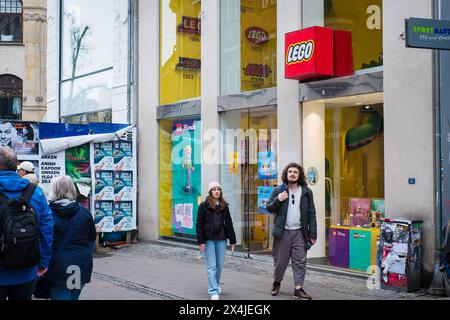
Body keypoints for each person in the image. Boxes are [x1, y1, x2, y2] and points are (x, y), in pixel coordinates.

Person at [0, 147, 53, 300]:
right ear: (15, 165)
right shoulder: (35, 192)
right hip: (27, 267)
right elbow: (47, 228)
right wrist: (43, 261)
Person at [266, 163, 317, 300]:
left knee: (300, 261)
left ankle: (298, 289)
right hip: (283, 232)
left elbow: (312, 213)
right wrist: (278, 199)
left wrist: (313, 234)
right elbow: (269, 208)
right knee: (280, 261)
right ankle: (277, 283)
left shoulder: (306, 192)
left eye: (295, 172)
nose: (292, 174)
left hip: (300, 233)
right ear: (286, 174)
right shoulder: (278, 190)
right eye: (290, 171)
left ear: (299, 175)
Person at [45, 176, 96, 300]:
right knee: (73, 296)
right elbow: (91, 239)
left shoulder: (47, 213)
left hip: (58, 265)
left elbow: (44, 241)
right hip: (80, 263)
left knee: (61, 294)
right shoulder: (85, 213)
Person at [196, 182, 236, 300]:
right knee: (211, 266)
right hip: (209, 240)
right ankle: (213, 291)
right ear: (210, 192)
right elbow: (199, 224)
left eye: (218, 189)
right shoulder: (203, 206)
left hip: (221, 240)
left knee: (219, 265)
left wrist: (232, 240)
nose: (217, 191)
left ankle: (216, 285)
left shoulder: (224, 206)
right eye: (214, 189)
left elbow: (229, 223)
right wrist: (201, 242)